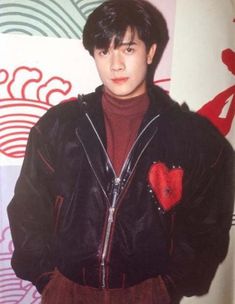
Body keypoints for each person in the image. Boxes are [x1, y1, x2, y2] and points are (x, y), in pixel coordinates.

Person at [7, 0, 234, 303]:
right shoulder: (59, 127)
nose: (115, 64)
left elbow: (207, 224)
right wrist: (46, 278)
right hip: (66, 290)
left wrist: (168, 284)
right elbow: (28, 207)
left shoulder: (192, 137)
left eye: (127, 49)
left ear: (150, 51)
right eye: (104, 51)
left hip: (146, 293)